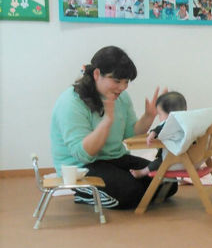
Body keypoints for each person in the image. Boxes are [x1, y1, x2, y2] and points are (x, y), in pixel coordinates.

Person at [50, 46, 176, 209]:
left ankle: (120, 191)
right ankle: (84, 193)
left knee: (168, 182)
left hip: (114, 159)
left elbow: (130, 133)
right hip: (81, 166)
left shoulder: (121, 97)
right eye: (117, 81)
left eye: (126, 82)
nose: (122, 87)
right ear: (97, 74)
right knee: (132, 193)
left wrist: (149, 116)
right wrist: (106, 122)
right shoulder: (71, 103)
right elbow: (83, 154)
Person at [130, 91, 187, 179]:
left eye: (160, 114)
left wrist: (153, 133)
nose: (159, 118)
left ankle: (142, 172)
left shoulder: (170, 124)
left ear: (171, 115)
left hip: (176, 161)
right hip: (192, 161)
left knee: (159, 162)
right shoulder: (187, 123)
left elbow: (162, 127)